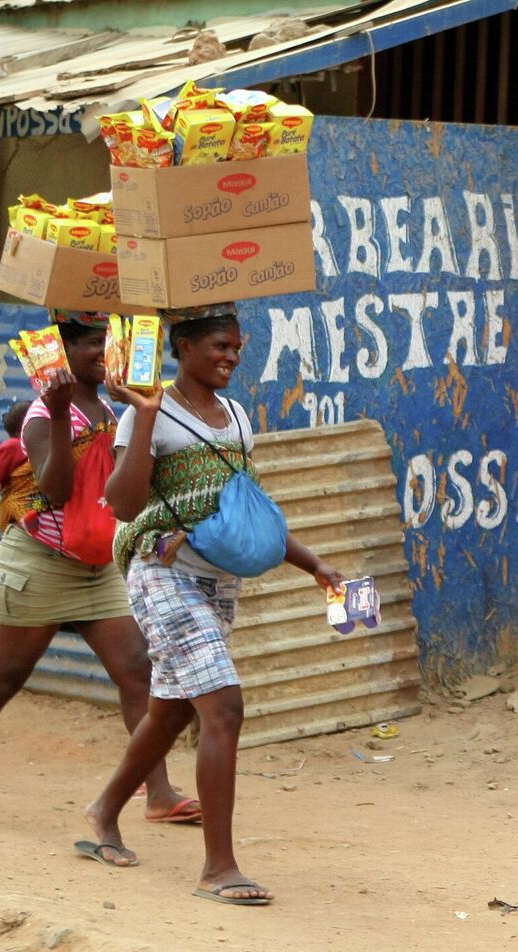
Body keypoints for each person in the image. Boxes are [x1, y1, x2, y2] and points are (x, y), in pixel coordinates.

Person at [79, 305, 345, 906]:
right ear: (184, 348)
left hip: (218, 580)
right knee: (222, 706)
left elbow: (243, 509)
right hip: (160, 574)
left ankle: (104, 811)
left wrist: (312, 564)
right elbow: (121, 504)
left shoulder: (237, 417)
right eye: (220, 346)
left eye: (236, 348)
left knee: (172, 709)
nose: (230, 357)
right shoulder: (146, 413)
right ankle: (219, 868)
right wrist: (145, 415)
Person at [0, 311, 198, 825]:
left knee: (139, 672)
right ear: (65, 351)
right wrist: (60, 407)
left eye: (107, 342)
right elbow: (56, 490)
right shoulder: (43, 415)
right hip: (40, 565)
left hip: (98, 565)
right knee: (5, 676)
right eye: (93, 343)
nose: (103, 351)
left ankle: (157, 792)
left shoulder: (112, 406)